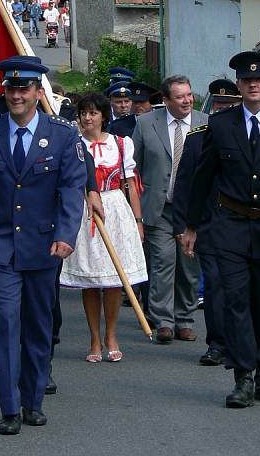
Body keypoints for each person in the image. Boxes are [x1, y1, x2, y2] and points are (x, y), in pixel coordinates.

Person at [0, 55, 87, 435]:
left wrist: (65, 234)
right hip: (0, 241)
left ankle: (32, 399)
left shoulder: (62, 134)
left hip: (44, 244)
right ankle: (9, 406)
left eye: (24, 88)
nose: (16, 95)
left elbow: (72, 189)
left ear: (39, 92)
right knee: (6, 320)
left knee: (39, 324)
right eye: (11, 88)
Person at [181, 52, 260, 408]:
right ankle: (243, 377)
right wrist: (191, 226)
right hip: (231, 226)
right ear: (239, 85)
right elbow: (202, 178)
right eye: (246, 80)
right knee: (235, 301)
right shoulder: (221, 125)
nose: (253, 84)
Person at [61, 92, 146, 363]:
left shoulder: (121, 144)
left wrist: (138, 221)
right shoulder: (72, 145)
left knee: (113, 279)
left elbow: (131, 184)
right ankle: (94, 338)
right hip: (84, 211)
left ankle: (111, 335)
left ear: (103, 116)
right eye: (84, 112)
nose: (88, 117)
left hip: (115, 209)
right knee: (90, 279)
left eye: (93, 112)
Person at [172, 78, 242, 367]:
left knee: (241, 288)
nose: (224, 108)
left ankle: (242, 341)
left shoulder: (246, 133)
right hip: (210, 224)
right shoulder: (198, 136)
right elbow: (185, 184)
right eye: (220, 104)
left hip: (243, 223)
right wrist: (183, 226)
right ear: (213, 106)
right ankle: (217, 343)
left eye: (229, 104)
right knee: (214, 285)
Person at [133, 75, 207, 343]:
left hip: (191, 211)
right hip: (159, 207)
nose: (187, 100)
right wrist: (136, 211)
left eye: (189, 95)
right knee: (163, 263)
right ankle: (163, 320)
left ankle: (185, 320)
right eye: (179, 96)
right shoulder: (145, 124)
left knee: (189, 266)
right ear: (165, 100)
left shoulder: (205, 123)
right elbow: (134, 169)